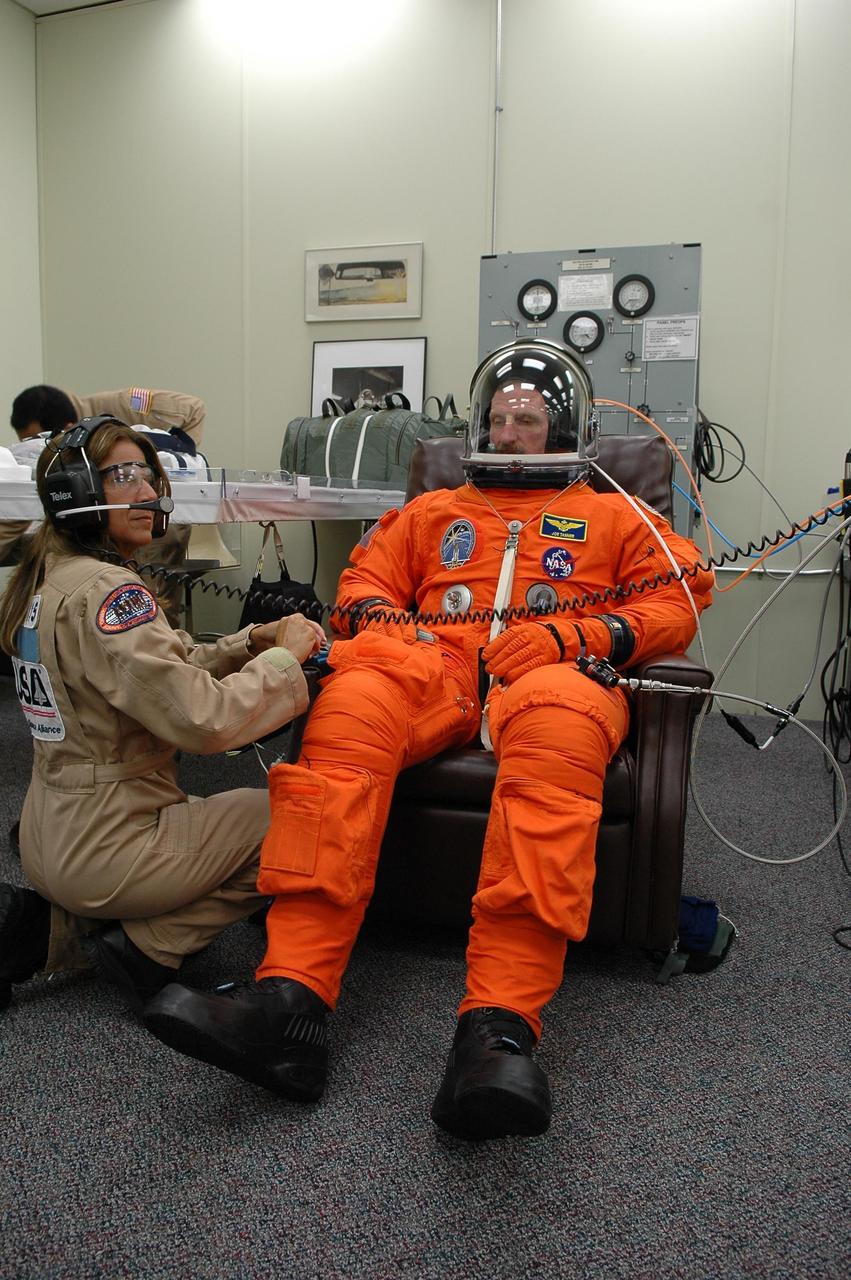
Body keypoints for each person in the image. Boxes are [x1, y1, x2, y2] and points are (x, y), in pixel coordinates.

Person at [143, 340, 714, 1139]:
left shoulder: (617, 512)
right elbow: (365, 583)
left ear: (565, 431)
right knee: (347, 711)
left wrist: (577, 636)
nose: (509, 431)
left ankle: (498, 1028)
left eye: (528, 419)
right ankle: (289, 1001)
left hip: (552, 672)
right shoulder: (431, 511)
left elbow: (681, 596)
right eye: (499, 418)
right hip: (430, 668)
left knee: (557, 743)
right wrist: (377, 617)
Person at [0, 415, 325, 1014]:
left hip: (52, 831)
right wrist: (285, 660)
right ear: (79, 491)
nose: (148, 492)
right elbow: (205, 721)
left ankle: (60, 931)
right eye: (123, 475)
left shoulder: (48, 579)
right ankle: (148, 947)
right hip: (108, 840)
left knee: (216, 817)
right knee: (294, 814)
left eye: (148, 475)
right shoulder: (109, 594)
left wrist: (248, 642)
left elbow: (155, 668)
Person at [4, 384, 207, 625]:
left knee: (154, 613)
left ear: (67, 429)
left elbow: (193, 409)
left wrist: (174, 454)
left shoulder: (125, 403)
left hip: (152, 519)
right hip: (101, 527)